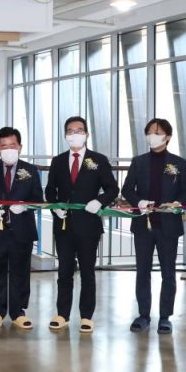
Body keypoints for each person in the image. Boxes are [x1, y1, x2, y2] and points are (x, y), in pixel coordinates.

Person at [44, 116, 119, 334]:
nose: (74, 134)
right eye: (70, 130)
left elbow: (112, 189)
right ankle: (62, 314)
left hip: (89, 226)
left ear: (86, 134)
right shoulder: (58, 161)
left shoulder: (98, 160)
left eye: (79, 130)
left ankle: (86, 316)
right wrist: (55, 206)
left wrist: (100, 201)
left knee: (87, 272)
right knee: (64, 271)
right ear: (65, 135)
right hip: (64, 225)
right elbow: (50, 189)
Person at [121, 118, 186, 335]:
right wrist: (139, 201)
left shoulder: (179, 163)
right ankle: (143, 314)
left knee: (168, 272)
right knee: (142, 271)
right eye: (150, 132)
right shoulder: (138, 162)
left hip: (168, 225)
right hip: (143, 224)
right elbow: (127, 189)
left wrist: (178, 203)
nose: (153, 136)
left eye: (158, 132)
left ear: (168, 137)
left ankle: (165, 317)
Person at [0, 127, 43, 330]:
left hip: (22, 229)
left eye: (12, 145)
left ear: (20, 147)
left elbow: (38, 199)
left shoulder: (30, 170)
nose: (8, 149)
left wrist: (25, 205)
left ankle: (18, 312)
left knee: (20, 271)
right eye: (4, 146)